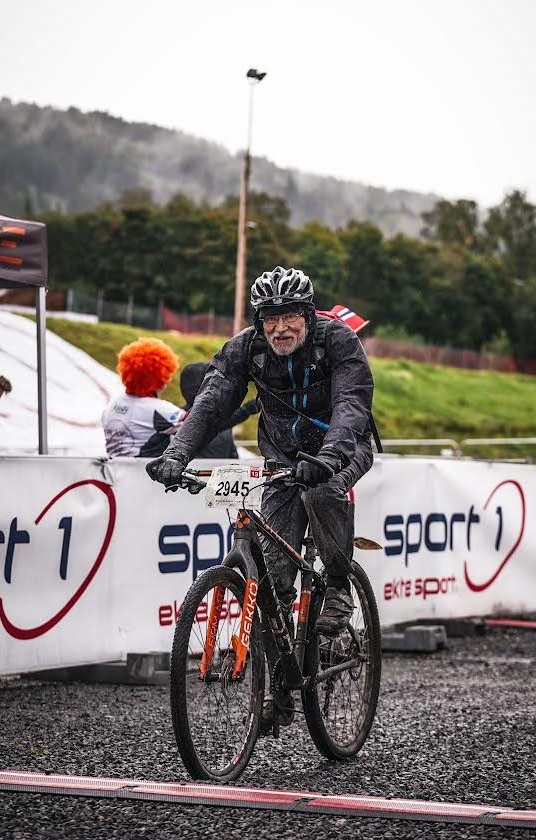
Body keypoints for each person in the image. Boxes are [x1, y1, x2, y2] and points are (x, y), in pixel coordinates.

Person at [146, 266, 374, 637]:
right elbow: (211, 404)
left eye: (289, 316)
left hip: (342, 448)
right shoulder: (246, 347)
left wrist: (332, 454)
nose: (280, 328)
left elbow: (351, 401)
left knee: (321, 492)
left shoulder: (338, 339)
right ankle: (279, 672)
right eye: (271, 318)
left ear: (308, 314)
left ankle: (337, 587)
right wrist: (177, 454)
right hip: (283, 457)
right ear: (259, 320)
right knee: (276, 573)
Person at [102, 337, 184, 458]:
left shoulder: (110, 407)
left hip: (112, 472)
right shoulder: (160, 410)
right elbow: (198, 425)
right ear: (160, 375)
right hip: (142, 473)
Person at [178, 361, 258, 459]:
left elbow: (233, 459)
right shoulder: (176, 421)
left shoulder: (223, 422)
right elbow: (204, 424)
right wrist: (247, 409)